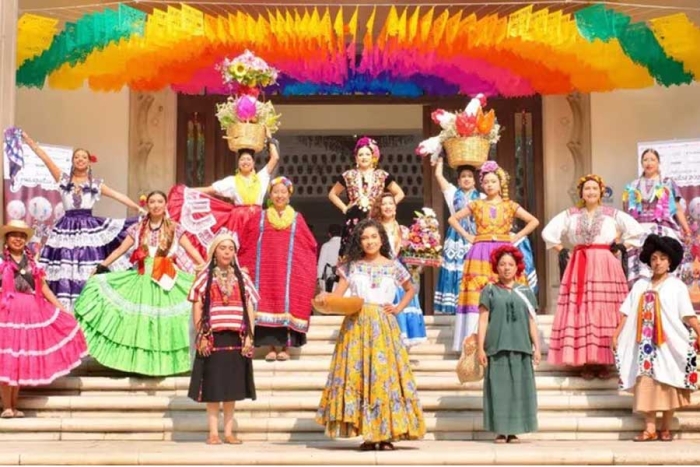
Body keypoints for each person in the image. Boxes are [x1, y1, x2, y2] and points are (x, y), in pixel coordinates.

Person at [314, 219, 425, 451]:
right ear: (359, 241)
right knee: (361, 376)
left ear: (381, 239)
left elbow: (410, 288)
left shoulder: (393, 265)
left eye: (374, 237)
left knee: (384, 378)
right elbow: (338, 294)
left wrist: (398, 307)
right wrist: (325, 298)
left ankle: (386, 434)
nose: (370, 241)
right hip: (356, 325)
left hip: (384, 326)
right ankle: (368, 434)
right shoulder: (351, 266)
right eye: (365, 238)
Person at [73, 191, 205, 376]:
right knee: (140, 322)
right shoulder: (137, 229)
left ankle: (164, 364)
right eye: (152, 201)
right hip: (142, 276)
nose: (156, 205)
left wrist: (205, 267)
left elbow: (190, 250)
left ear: (165, 205)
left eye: (160, 201)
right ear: (147, 205)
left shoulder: (174, 227)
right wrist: (101, 266)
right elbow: (120, 250)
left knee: (164, 321)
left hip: (166, 277)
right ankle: (139, 364)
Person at [22, 131, 142, 310]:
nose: (80, 159)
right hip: (65, 228)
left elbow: (118, 195)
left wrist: (139, 209)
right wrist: (30, 143)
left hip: (88, 228)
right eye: (76, 157)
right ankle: (65, 310)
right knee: (65, 267)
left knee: (88, 267)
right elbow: (46, 159)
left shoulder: (96, 184)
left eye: (83, 157)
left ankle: (89, 307)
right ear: (72, 161)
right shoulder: (63, 179)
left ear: (88, 161)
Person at [542, 174, 644, 380]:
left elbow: (636, 231)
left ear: (601, 192)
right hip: (580, 263)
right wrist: (562, 250)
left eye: (594, 189)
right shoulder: (571, 214)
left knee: (604, 310)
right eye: (587, 189)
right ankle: (587, 361)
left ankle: (605, 361)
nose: (590, 192)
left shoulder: (612, 214)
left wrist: (623, 245)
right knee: (584, 311)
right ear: (581, 193)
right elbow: (549, 232)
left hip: (605, 264)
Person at [612, 235, 700, 442]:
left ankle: (666, 428)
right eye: (653, 258)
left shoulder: (676, 286)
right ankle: (650, 429)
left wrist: (698, 331)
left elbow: (687, 314)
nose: (657, 262)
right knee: (646, 385)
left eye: (662, 258)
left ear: (670, 262)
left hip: (668, 346)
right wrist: (616, 334)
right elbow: (626, 312)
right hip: (643, 347)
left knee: (669, 383)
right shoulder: (640, 286)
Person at [448, 160, 540, 352]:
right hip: (480, 251)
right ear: (482, 185)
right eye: (486, 182)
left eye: (493, 181)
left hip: (504, 252)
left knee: (507, 289)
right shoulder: (476, 204)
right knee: (479, 294)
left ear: (500, 185)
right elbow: (453, 218)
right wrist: (467, 236)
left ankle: (508, 338)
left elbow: (533, 221)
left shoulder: (510, 205)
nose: (489, 185)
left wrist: (517, 236)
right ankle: (473, 344)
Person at [0, 220, 88, 418]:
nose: (18, 239)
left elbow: (44, 288)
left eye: (22, 236)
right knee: (7, 359)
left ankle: (14, 405)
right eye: (14, 235)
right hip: (6, 314)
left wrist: (63, 310)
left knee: (19, 357)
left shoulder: (33, 263)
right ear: (7, 239)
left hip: (30, 313)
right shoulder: (1, 262)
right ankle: (7, 406)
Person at [188, 232, 258, 445]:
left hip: (236, 337)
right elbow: (197, 305)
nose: (227, 252)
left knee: (232, 387)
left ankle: (228, 432)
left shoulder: (243, 277)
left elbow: (249, 306)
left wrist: (250, 337)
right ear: (214, 252)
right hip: (213, 337)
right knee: (213, 386)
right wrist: (201, 334)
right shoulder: (203, 276)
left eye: (230, 248)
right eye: (223, 248)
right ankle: (213, 433)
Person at [238, 177, 317, 362]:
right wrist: (246, 266)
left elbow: (309, 245)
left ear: (289, 196)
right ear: (270, 195)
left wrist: (305, 270)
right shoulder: (260, 217)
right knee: (267, 304)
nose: (279, 195)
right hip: (266, 273)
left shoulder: (297, 219)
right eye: (276, 192)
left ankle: (286, 348)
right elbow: (247, 242)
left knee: (288, 305)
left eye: (283, 192)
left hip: (289, 274)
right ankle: (271, 348)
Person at [167, 131, 280, 257]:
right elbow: (211, 190)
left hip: (258, 217)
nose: (245, 162)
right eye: (242, 159)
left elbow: (275, 158)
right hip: (239, 219)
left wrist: (269, 139)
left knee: (258, 250)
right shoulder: (231, 181)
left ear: (253, 163)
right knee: (237, 250)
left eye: (248, 159)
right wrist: (187, 191)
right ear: (238, 164)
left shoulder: (261, 177)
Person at [477, 245, 540, 444]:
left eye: (510, 264)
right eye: (502, 264)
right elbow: (482, 320)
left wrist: (537, 347)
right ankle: (500, 430)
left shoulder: (526, 291)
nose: (506, 268)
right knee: (498, 390)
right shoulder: (489, 290)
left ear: (517, 267)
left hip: (521, 346)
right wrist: (480, 348)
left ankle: (515, 430)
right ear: (496, 266)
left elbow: (531, 321)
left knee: (519, 390)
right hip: (496, 347)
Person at [623, 148, 692, 286]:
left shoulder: (667, 183)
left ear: (658, 162)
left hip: (663, 228)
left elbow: (677, 208)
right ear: (641, 163)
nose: (649, 163)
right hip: (640, 229)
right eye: (645, 160)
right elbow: (627, 211)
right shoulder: (633, 185)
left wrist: (687, 229)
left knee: (665, 264)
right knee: (641, 270)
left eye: (652, 159)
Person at [328, 137, 404, 257]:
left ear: (373, 157)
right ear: (356, 157)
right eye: (361, 154)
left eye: (367, 154)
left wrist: (386, 206)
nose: (364, 157)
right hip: (353, 219)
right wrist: (344, 208)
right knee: (352, 253)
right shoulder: (348, 175)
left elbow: (400, 193)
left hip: (375, 217)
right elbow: (332, 194)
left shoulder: (382, 175)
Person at [372, 192, 427, 347]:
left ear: (395, 208)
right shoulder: (374, 229)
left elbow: (413, 254)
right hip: (381, 273)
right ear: (379, 208)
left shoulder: (404, 230)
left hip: (400, 275)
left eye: (391, 203)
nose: (388, 207)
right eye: (384, 204)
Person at [432, 158, 481, 315]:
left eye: (469, 176)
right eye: (463, 176)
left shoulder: (482, 196)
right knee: (455, 269)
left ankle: (474, 303)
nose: (466, 179)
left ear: (474, 181)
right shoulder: (452, 192)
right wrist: (439, 158)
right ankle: (453, 306)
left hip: (475, 237)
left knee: (473, 270)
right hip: (456, 237)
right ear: (459, 181)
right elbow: (439, 176)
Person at [317, 224, 342, 293]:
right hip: (342, 277)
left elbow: (321, 263)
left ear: (329, 234)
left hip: (330, 278)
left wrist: (318, 278)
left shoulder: (326, 245)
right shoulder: (344, 245)